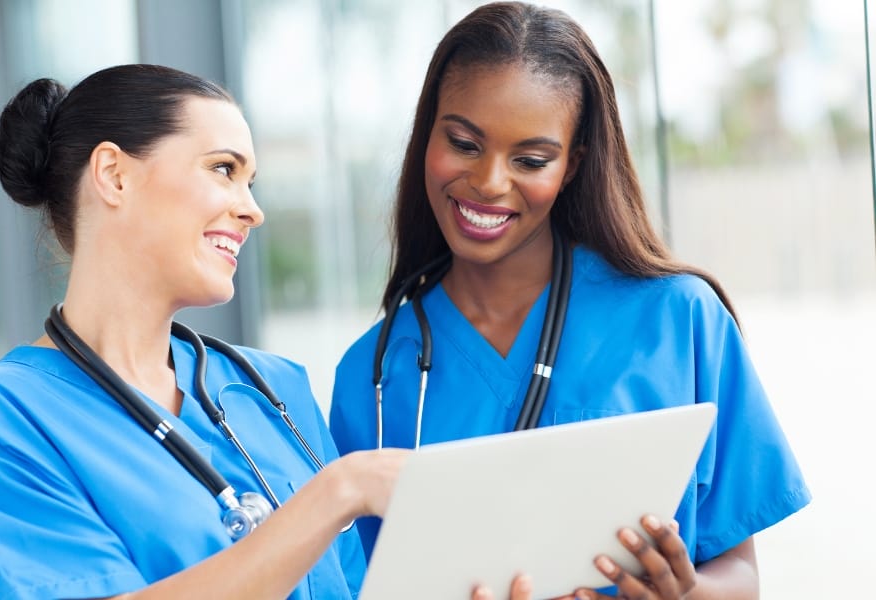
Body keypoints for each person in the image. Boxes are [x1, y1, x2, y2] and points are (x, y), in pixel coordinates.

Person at [330, 3, 811, 599]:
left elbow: (741, 574)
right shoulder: (370, 377)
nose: (489, 182)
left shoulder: (679, 319)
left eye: (530, 160)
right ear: (427, 133)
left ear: (572, 165)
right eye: (463, 142)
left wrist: (686, 596)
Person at [0, 63, 420, 600]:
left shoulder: (272, 387)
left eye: (251, 182)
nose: (253, 211)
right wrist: (339, 492)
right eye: (223, 169)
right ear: (114, 175)